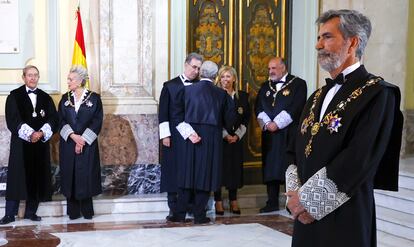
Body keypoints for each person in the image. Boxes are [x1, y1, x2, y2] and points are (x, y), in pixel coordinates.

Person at [285, 9, 403, 247]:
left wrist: (309, 201)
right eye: (318, 38)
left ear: (352, 42)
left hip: (345, 212)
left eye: (327, 37)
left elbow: (360, 157)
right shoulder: (317, 96)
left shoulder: (378, 93)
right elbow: (294, 148)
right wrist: (294, 198)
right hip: (304, 217)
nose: (318, 45)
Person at [171, 61, 235, 224]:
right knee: (205, 177)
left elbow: (176, 116)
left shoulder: (186, 90)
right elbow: (229, 122)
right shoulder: (222, 95)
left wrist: (190, 134)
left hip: (190, 138)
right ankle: (199, 215)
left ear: (201, 73)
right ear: (215, 76)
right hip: (211, 140)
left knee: (187, 175)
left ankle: (179, 214)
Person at [0, 65, 58, 225]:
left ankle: (31, 212)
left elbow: (53, 119)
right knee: (16, 178)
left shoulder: (46, 98)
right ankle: (10, 214)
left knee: (37, 177)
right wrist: (30, 134)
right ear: (23, 77)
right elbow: (13, 119)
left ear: (38, 78)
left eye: (35, 75)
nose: (33, 78)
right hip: (21, 144)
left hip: (39, 145)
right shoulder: (14, 96)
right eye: (29, 75)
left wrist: (40, 133)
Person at [255, 57, 307, 213]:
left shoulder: (298, 84)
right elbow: (258, 107)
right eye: (269, 68)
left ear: (283, 68)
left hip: (288, 134)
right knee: (271, 168)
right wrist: (266, 123)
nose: (271, 71)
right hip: (270, 136)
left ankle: (292, 203)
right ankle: (271, 202)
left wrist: (277, 123)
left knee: (289, 167)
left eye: (274, 68)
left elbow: (297, 107)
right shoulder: (265, 86)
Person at [159, 52, 203, 220]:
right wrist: (165, 136)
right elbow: (163, 113)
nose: (196, 71)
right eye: (193, 67)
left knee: (191, 169)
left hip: (194, 135)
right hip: (174, 136)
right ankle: (173, 206)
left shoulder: (200, 86)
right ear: (185, 65)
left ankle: (191, 205)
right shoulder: (170, 86)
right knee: (173, 170)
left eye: (199, 68)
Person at [58, 66, 103, 220]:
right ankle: (73, 211)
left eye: (71, 79)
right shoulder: (65, 98)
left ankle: (87, 211)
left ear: (79, 81)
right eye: (68, 79)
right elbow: (61, 120)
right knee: (70, 175)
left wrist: (82, 140)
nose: (68, 81)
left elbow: (97, 122)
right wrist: (73, 137)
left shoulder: (94, 98)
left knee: (86, 175)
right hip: (69, 144)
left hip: (87, 145)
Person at [213, 66, 250, 215]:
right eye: (222, 77)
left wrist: (237, 135)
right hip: (220, 140)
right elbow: (214, 119)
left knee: (234, 170)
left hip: (236, 140)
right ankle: (218, 201)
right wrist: (225, 135)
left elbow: (246, 119)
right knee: (219, 170)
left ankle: (233, 200)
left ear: (234, 79)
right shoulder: (215, 95)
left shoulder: (242, 96)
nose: (225, 80)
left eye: (228, 76)